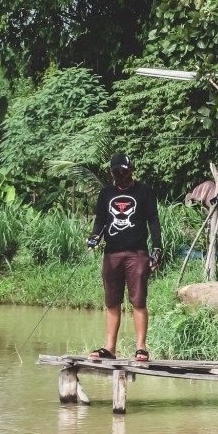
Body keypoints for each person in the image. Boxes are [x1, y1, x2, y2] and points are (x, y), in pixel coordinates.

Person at [87, 152, 162, 362]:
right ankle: (110, 348)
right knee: (112, 301)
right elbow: (100, 221)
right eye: (118, 173)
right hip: (112, 253)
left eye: (125, 173)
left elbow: (153, 222)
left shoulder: (144, 192)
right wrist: (94, 237)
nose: (122, 177)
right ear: (112, 174)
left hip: (137, 253)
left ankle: (141, 347)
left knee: (138, 301)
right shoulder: (105, 194)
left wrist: (157, 249)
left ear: (132, 172)